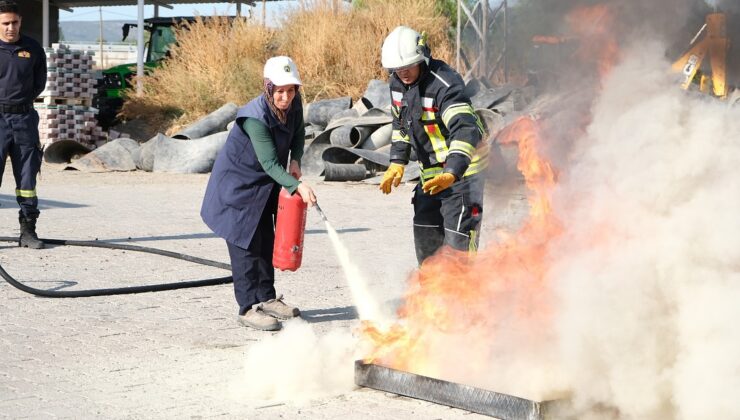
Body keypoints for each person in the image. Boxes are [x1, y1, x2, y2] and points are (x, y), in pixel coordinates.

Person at [201, 56, 317, 331]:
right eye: (280, 91)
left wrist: (297, 160)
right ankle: (247, 307)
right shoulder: (255, 117)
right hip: (237, 188)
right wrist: (297, 185)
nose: (286, 97)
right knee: (246, 247)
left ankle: (266, 298)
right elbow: (269, 164)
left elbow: (298, 132)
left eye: (291, 90)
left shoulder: (294, 102)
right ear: (267, 87)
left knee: (266, 239)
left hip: (264, 186)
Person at [379, 25, 487, 265]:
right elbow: (401, 125)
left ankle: (464, 301)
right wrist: (397, 161)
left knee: (459, 247)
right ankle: (429, 301)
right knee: (426, 238)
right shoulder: (396, 84)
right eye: (397, 69)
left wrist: (452, 171)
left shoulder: (444, 84)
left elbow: (465, 128)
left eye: (408, 66)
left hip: (463, 176)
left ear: (422, 58)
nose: (403, 73)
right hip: (430, 177)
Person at [0, 0, 47, 249]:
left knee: (27, 178)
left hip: (24, 120)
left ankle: (28, 231)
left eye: (14, 22)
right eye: (5, 23)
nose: (10, 28)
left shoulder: (32, 48)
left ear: (20, 21)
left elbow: (40, 83)